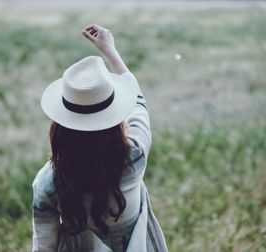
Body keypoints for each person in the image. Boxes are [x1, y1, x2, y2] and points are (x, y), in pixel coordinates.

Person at [32, 24, 168, 252]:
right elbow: (138, 103)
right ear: (114, 118)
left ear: (60, 127)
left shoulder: (48, 183)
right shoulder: (135, 156)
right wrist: (110, 51)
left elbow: (44, 245)